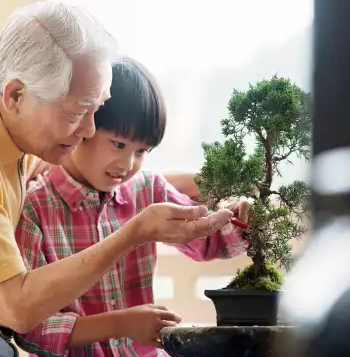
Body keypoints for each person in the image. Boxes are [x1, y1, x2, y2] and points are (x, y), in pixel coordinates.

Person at [0, 2, 234, 357]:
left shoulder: (13, 144)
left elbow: (98, 181)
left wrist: (193, 182)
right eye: (78, 112)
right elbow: (19, 308)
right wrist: (134, 232)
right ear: (16, 95)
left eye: (96, 110)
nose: (88, 129)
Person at [14, 56, 250, 357]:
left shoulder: (146, 190)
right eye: (118, 144)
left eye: (141, 151)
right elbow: (29, 330)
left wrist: (239, 213)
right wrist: (120, 324)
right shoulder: (36, 208)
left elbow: (209, 242)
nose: (127, 165)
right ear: (82, 126)